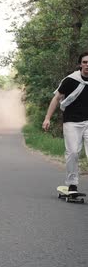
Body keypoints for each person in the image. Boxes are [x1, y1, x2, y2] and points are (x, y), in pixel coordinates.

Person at [42, 51, 88, 193]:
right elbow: (56, 98)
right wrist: (47, 118)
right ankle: (72, 184)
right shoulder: (71, 80)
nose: (87, 65)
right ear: (80, 64)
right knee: (73, 153)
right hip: (72, 122)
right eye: (85, 62)